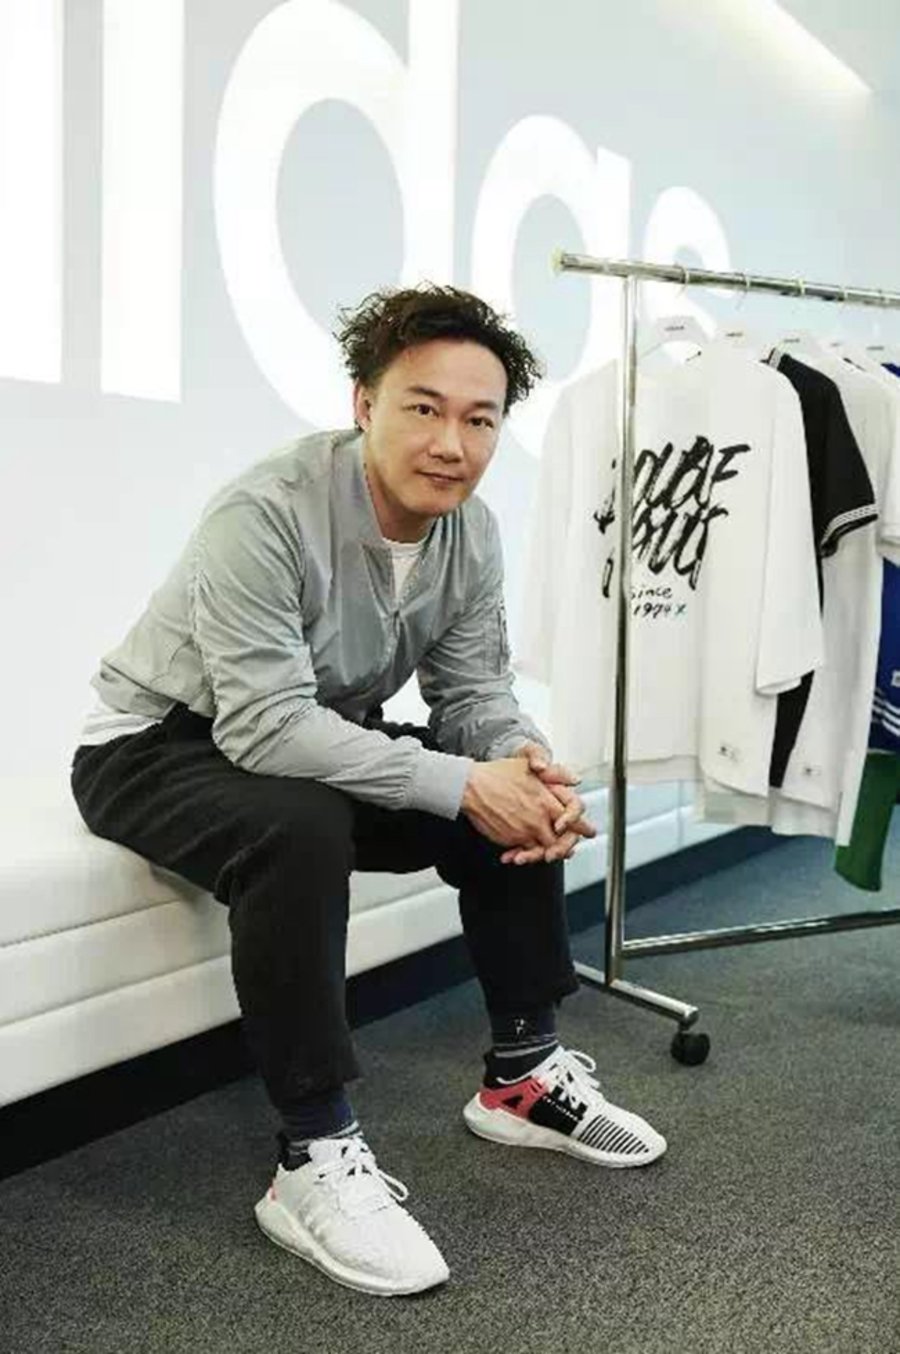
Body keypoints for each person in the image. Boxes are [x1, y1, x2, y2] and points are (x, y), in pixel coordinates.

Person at [70, 283, 666, 1299]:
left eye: (479, 419)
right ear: (363, 403)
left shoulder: (469, 530)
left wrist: (521, 762)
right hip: (156, 744)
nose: (451, 443)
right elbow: (261, 727)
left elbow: (472, 692)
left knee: (501, 792)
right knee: (307, 824)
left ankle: (523, 1077)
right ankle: (311, 1156)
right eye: (423, 408)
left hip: (306, 729)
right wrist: (463, 781)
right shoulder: (265, 512)